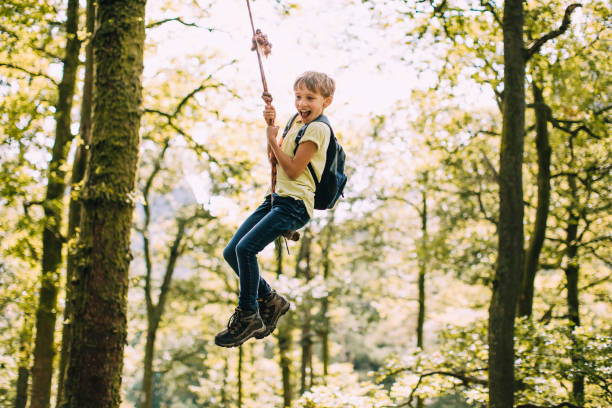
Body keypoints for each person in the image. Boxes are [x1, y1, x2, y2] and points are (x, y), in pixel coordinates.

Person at [215, 71, 335, 348]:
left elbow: (293, 170)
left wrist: (272, 138)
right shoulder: (295, 121)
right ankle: (270, 299)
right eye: (298, 97)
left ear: (326, 102)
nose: (301, 104)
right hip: (276, 198)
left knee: (246, 250)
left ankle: (249, 314)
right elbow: (275, 159)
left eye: (310, 98)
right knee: (231, 251)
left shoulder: (319, 129)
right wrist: (274, 131)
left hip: (295, 204)